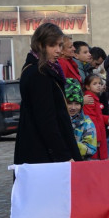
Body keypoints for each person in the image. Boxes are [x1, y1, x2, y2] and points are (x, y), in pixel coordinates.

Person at [14, 23, 80, 164]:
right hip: (44, 153)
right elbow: (46, 120)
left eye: (60, 45)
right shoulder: (39, 73)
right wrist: (64, 155)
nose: (58, 50)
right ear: (40, 45)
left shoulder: (46, 69)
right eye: (52, 45)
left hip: (46, 150)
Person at [65, 79, 98, 159]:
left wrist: (69, 144)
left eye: (77, 104)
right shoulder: (56, 121)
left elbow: (91, 148)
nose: (73, 107)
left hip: (79, 164)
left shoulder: (87, 122)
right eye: (69, 103)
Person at [82, 74, 109, 158]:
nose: (98, 86)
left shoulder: (95, 98)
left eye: (100, 83)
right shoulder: (90, 99)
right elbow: (91, 119)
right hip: (95, 135)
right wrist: (97, 138)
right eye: (95, 84)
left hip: (98, 133)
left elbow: (98, 116)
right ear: (87, 86)